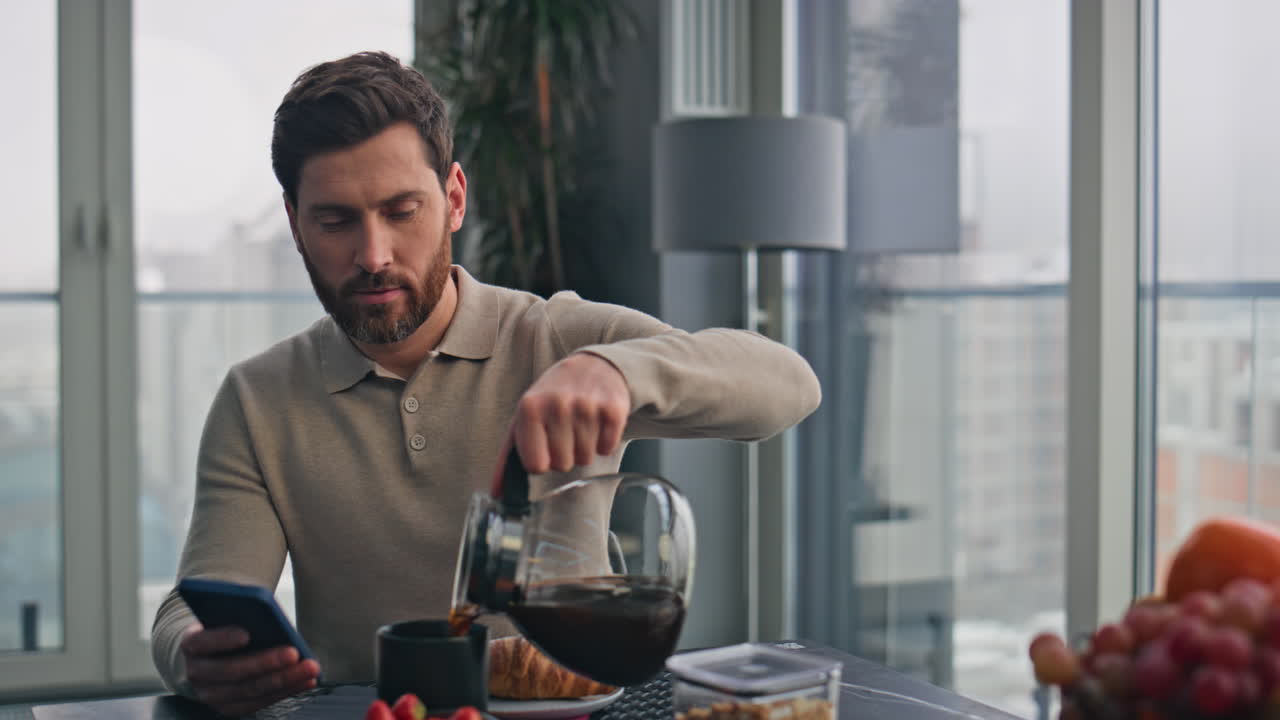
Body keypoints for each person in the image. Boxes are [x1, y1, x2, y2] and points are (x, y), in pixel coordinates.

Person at [150, 50, 821, 716]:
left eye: (402, 210)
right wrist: (196, 654)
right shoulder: (258, 399)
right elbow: (196, 601)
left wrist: (617, 369)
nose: (374, 255)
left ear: (454, 200)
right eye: (336, 221)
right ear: (295, 225)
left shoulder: (555, 337)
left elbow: (789, 385)